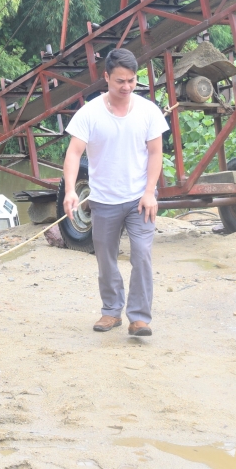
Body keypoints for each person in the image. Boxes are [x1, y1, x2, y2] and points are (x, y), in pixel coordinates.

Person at [63, 48, 168, 337]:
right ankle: (111, 311)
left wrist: (150, 192)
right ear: (106, 77)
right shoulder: (90, 113)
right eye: (120, 81)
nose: (126, 87)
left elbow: (156, 152)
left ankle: (139, 317)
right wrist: (70, 190)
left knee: (142, 255)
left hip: (139, 199)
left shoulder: (148, 111)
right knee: (105, 257)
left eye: (132, 81)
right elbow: (74, 153)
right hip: (104, 200)